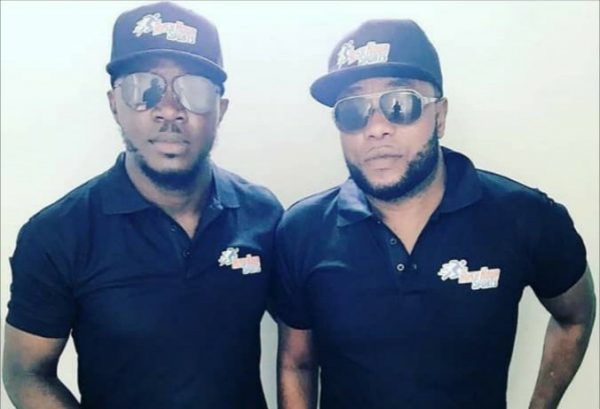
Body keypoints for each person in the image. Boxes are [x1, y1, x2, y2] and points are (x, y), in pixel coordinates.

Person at [275, 19, 596, 409]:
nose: (376, 128)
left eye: (400, 104)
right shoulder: (302, 231)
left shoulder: (524, 217)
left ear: (439, 116)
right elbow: (297, 363)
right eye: (353, 110)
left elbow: (575, 315)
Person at [3, 2, 281, 409]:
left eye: (194, 90)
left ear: (220, 109)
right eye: (143, 89)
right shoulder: (57, 234)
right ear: (114, 104)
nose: (169, 110)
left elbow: (306, 329)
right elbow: (25, 371)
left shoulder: (263, 214)